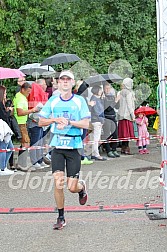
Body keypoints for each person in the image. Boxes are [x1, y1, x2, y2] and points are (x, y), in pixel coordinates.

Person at [38, 70, 90, 230]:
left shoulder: (79, 101)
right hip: (58, 148)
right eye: (62, 79)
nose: (65, 81)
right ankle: (61, 217)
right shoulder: (53, 101)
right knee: (58, 183)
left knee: (71, 187)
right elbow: (41, 121)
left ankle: (82, 188)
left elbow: (86, 124)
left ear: (73, 83)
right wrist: (54, 119)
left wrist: (69, 122)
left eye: (68, 79)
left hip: (73, 148)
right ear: (58, 83)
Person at [13, 82, 38, 171]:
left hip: (23, 122)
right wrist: (32, 110)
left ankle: (20, 163)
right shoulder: (20, 98)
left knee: (25, 142)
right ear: (23, 89)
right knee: (25, 143)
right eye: (27, 91)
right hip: (20, 123)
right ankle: (22, 164)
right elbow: (20, 112)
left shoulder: (22, 97)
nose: (29, 94)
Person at [28, 79, 49, 169]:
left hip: (41, 122)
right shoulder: (34, 95)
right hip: (34, 122)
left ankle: (39, 160)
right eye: (44, 84)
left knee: (40, 142)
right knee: (35, 142)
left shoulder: (42, 95)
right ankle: (34, 161)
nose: (46, 86)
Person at [117, 78, 135, 154]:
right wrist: (133, 115)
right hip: (127, 115)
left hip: (120, 115)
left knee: (123, 133)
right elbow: (130, 105)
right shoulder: (129, 93)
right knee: (127, 133)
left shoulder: (119, 92)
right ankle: (126, 149)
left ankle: (123, 148)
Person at [102, 82, 120, 158]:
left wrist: (118, 100)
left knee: (115, 134)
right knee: (107, 134)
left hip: (113, 116)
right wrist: (115, 101)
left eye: (109, 88)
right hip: (106, 117)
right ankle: (108, 150)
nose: (108, 90)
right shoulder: (103, 97)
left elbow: (117, 107)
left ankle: (114, 149)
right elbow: (108, 108)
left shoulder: (112, 96)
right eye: (106, 88)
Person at [0, 85, 14, 175]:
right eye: (5, 93)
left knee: (10, 148)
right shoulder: (0, 104)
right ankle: (2, 168)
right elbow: (4, 116)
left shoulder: (2, 103)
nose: (6, 95)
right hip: (2, 129)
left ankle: (3, 166)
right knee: (4, 148)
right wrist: (9, 111)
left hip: (4, 129)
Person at [90, 85, 106, 161]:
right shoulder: (95, 99)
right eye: (100, 90)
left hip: (96, 120)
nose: (101, 91)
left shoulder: (96, 99)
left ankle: (94, 153)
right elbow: (97, 111)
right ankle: (96, 154)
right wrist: (102, 120)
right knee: (96, 138)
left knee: (95, 137)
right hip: (97, 120)